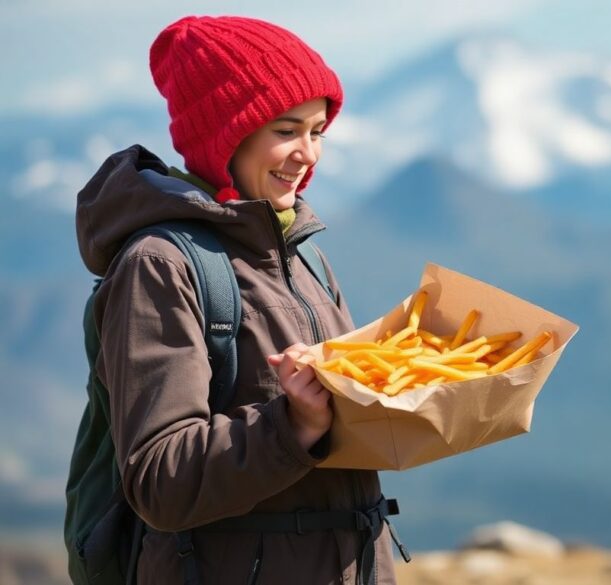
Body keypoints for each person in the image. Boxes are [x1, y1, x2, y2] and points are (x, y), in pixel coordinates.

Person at [76, 16, 398, 583]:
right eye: (286, 129)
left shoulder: (304, 257)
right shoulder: (160, 264)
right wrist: (290, 425)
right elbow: (160, 481)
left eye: (318, 130)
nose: (308, 154)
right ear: (228, 134)